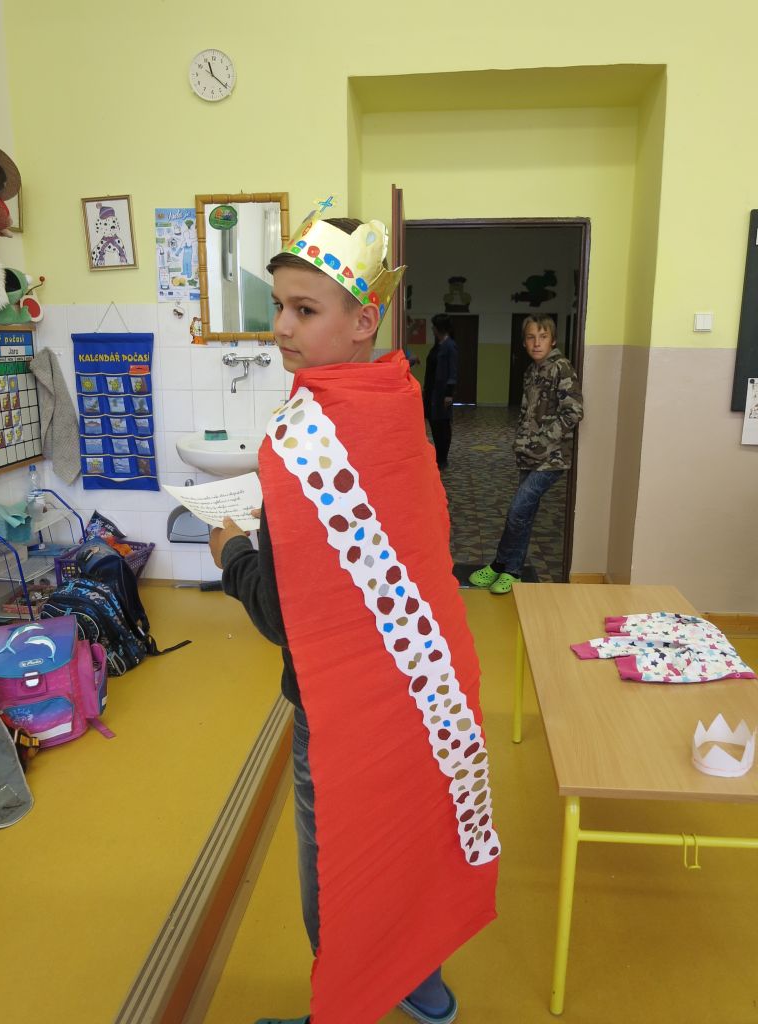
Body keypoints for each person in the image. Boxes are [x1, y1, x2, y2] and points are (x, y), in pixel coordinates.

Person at [209, 201, 498, 1024]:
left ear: (364, 319)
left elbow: (287, 617)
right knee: (414, 841)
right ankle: (423, 988)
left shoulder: (305, 438)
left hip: (343, 704)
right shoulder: (395, 395)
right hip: (428, 686)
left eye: (305, 310)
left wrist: (232, 551)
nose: (282, 328)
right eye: (279, 307)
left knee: (340, 865)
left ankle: (350, 1002)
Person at [469, 315, 584, 595]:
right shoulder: (532, 371)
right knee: (525, 515)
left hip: (552, 459)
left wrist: (543, 442)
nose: (536, 343)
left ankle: (502, 565)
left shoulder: (561, 368)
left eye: (543, 337)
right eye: (531, 337)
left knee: (517, 511)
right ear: (524, 342)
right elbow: (526, 413)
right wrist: (521, 443)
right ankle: (513, 571)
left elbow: (574, 411)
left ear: (553, 340)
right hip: (528, 455)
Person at [422, 313, 457, 470]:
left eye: (434, 327)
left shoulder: (450, 346)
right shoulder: (438, 345)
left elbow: (453, 372)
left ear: (439, 328)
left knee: (443, 425)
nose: (432, 329)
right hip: (432, 392)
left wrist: (449, 393)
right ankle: (439, 456)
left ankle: (443, 459)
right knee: (435, 424)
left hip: (442, 394)